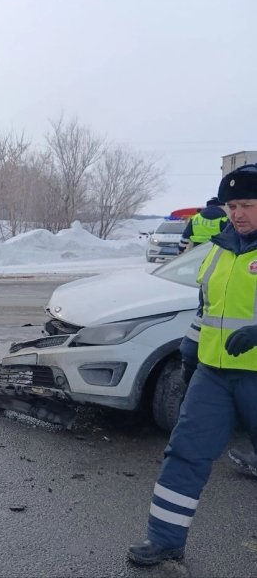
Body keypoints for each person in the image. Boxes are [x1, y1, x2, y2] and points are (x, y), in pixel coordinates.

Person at [127, 164, 257, 566]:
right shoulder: (218, 248)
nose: (238, 214)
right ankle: (164, 540)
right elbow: (206, 311)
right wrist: (188, 354)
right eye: (232, 206)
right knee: (185, 453)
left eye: (247, 204)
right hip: (213, 376)